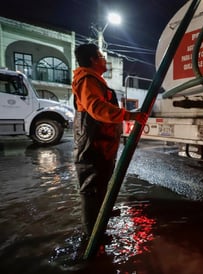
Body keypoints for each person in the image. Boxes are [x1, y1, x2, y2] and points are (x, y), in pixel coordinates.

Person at [71, 43, 147, 237]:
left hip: (101, 143)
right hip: (93, 144)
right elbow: (97, 108)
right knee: (92, 186)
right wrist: (129, 115)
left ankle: (101, 213)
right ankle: (92, 234)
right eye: (101, 56)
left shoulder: (94, 80)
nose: (105, 60)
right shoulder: (87, 79)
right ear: (93, 59)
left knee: (101, 180)